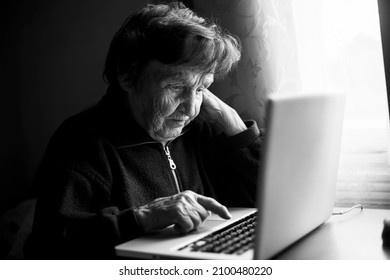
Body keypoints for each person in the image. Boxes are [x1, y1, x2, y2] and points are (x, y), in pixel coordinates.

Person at [24, 2, 264, 259]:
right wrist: (142, 218)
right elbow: (49, 249)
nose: (191, 108)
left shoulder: (202, 129)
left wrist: (237, 130)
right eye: (176, 86)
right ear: (127, 76)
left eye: (201, 88)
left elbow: (270, 200)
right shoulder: (81, 142)